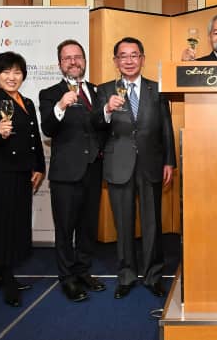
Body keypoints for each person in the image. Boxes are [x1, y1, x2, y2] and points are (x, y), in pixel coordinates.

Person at [94, 37, 176, 299]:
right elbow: (95, 126)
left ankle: (154, 276)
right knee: (124, 224)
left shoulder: (157, 89)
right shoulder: (104, 90)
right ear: (115, 60)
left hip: (152, 164)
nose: (128, 61)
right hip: (119, 165)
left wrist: (169, 161)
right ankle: (126, 275)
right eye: (123, 56)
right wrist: (107, 110)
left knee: (153, 225)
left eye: (134, 55)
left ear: (142, 58)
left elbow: (166, 128)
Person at [38, 39, 106, 302]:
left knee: (88, 228)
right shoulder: (49, 93)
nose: (73, 61)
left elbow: (102, 127)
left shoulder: (98, 91)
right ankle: (67, 278)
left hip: (93, 170)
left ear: (85, 62)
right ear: (60, 64)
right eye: (67, 58)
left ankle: (83, 271)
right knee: (65, 229)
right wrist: (61, 106)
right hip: (66, 173)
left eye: (78, 57)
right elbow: (48, 129)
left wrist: (109, 113)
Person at [0, 52, 45, 307]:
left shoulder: (26, 102)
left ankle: (6, 273)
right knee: (1, 225)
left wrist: (39, 166)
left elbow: (34, 138)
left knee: (16, 225)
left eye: (17, 72)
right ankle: (5, 278)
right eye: (6, 72)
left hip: (22, 173)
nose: (12, 77)